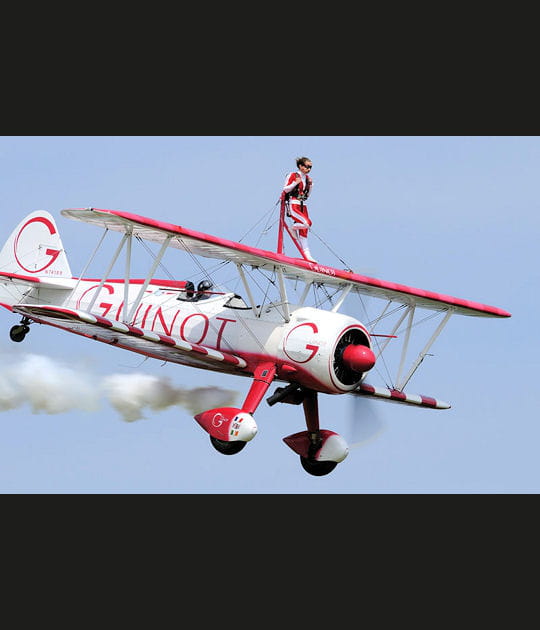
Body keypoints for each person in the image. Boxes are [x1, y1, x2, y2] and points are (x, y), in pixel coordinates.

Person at [282, 156, 316, 262]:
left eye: (310, 167)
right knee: (307, 223)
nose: (309, 169)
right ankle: (292, 228)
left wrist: (310, 186)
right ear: (300, 166)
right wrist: (295, 183)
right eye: (307, 166)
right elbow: (285, 189)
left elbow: (308, 195)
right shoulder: (293, 175)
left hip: (303, 205)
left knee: (304, 231)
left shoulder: (307, 179)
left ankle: (307, 255)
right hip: (294, 204)